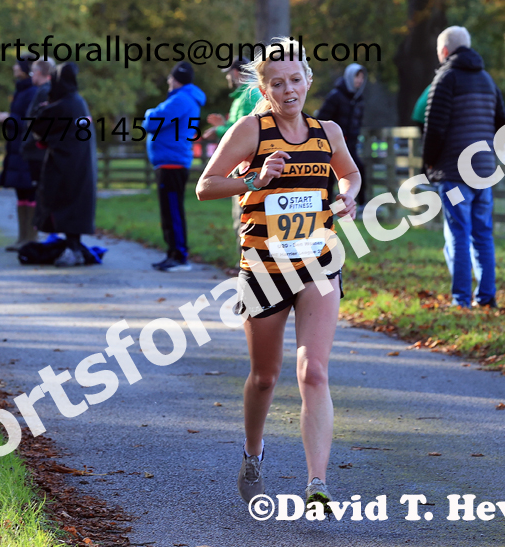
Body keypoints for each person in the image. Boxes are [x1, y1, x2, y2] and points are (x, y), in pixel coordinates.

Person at [196, 37, 360, 510]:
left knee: (314, 372)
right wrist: (255, 178)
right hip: (265, 270)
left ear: (308, 80)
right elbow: (206, 186)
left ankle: (317, 483)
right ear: (264, 89)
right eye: (277, 83)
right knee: (265, 377)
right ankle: (253, 452)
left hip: (318, 264)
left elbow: (350, 173)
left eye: (295, 80)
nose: (288, 90)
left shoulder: (328, 132)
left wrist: (348, 195)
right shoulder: (251, 130)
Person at [422, 26, 505, 308]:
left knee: (458, 233)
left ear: (445, 50)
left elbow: (434, 128)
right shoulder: (487, 79)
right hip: (484, 171)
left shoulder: (446, 78)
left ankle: (461, 299)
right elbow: (502, 124)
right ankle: (487, 296)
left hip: (455, 172)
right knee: (482, 234)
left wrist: (428, 163)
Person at [29, 62, 97, 267]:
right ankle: (73, 247)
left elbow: (38, 124)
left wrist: (43, 108)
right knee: (73, 207)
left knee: (65, 206)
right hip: (80, 165)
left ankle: (73, 250)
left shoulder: (64, 105)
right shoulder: (78, 102)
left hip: (65, 167)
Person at [203, 56, 262, 277]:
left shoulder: (248, 96)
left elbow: (243, 133)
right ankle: (246, 268)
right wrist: (223, 125)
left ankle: (247, 272)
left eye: (229, 73)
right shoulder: (244, 96)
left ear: (236, 72)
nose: (228, 77)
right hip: (244, 167)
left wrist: (220, 130)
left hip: (247, 169)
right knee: (243, 219)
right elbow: (237, 126)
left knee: (244, 220)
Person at [144, 61, 206, 272]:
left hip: (172, 162)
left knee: (172, 211)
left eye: (171, 77)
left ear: (176, 79)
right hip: (170, 161)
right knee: (169, 212)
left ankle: (179, 256)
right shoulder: (183, 98)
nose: (169, 80)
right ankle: (173, 253)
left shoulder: (180, 100)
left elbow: (151, 122)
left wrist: (149, 112)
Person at [0, 53, 39, 252]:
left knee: (30, 193)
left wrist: (9, 118)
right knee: (21, 193)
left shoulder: (32, 93)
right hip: (16, 148)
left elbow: (30, 123)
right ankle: (22, 238)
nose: (14, 67)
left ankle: (31, 238)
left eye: (17, 65)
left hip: (25, 149)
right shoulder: (21, 91)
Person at [316, 63, 367, 208]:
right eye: (357, 76)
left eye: (362, 77)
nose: (359, 80)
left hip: (351, 145)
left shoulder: (359, 99)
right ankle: (326, 207)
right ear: (350, 77)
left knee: (358, 170)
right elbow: (322, 118)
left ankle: (358, 204)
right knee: (329, 176)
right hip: (332, 144)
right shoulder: (336, 96)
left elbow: (357, 122)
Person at [19, 58, 55, 247]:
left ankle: (34, 237)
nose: (31, 75)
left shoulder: (45, 92)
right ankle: (27, 237)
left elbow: (38, 122)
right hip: (34, 150)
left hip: (38, 151)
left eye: (33, 72)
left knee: (39, 193)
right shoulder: (42, 91)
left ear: (40, 72)